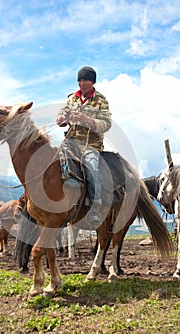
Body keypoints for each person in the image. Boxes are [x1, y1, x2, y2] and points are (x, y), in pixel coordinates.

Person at [56, 66, 112, 229]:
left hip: (90, 145)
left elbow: (106, 124)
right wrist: (64, 118)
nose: (82, 83)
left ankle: (96, 207)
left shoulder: (101, 100)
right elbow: (59, 121)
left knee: (93, 169)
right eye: (79, 80)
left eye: (85, 80)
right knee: (51, 161)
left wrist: (88, 120)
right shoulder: (71, 98)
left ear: (92, 82)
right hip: (70, 141)